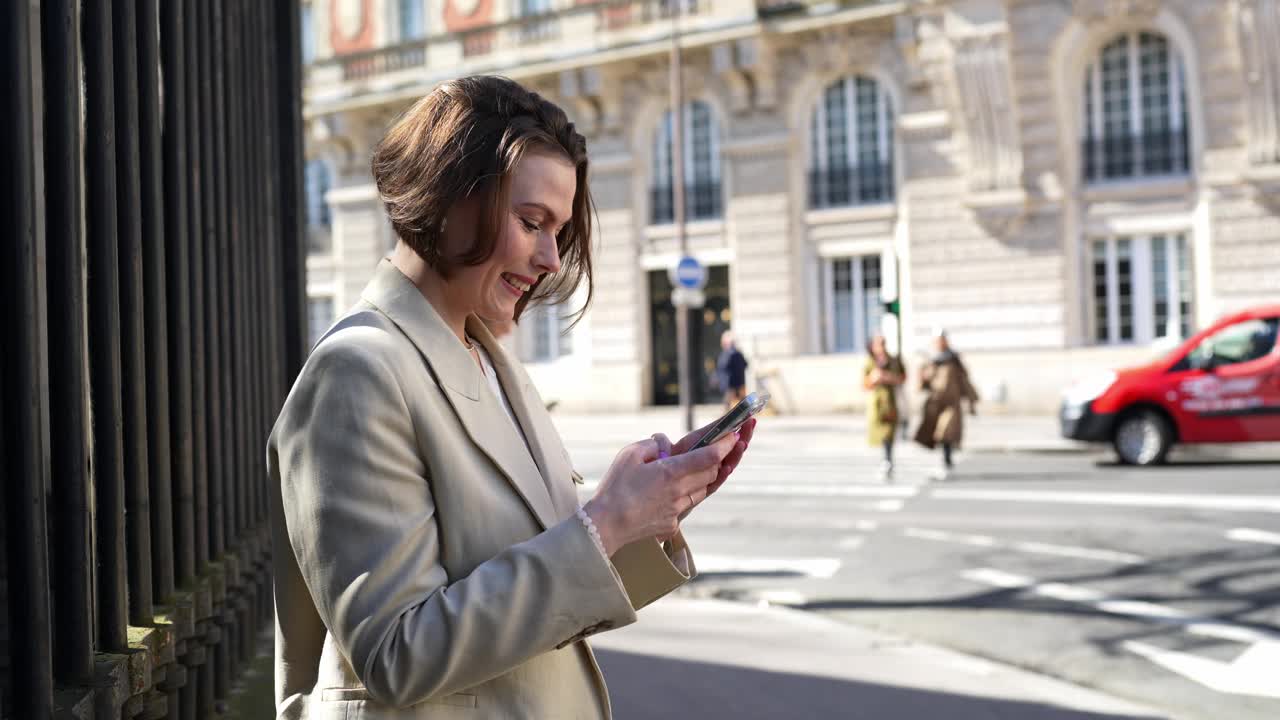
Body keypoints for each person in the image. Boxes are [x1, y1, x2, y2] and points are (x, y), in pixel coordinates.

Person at [267, 76, 756, 719]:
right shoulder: (356, 372)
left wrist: (643, 516)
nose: (552, 259)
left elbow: (539, 601)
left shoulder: (491, 360)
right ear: (449, 199)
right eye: (532, 223)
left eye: (558, 231)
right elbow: (396, 653)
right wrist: (603, 523)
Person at [914, 328, 978, 481]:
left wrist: (971, 400)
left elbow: (964, 380)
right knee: (935, 433)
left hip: (951, 403)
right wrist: (923, 374)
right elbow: (923, 382)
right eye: (937, 340)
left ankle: (947, 460)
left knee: (946, 431)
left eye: (942, 339)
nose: (940, 343)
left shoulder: (953, 359)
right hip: (936, 403)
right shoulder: (931, 359)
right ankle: (945, 459)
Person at [863, 334, 905, 482]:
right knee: (880, 435)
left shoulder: (893, 360)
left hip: (891, 402)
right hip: (877, 404)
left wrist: (888, 377)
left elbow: (902, 377)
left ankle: (888, 460)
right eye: (878, 344)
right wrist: (873, 379)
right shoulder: (870, 362)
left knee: (889, 434)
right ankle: (886, 460)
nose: (881, 347)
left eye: (883, 343)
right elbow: (864, 384)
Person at [716, 331, 749, 409]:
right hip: (740, 382)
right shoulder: (738, 353)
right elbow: (746, 364)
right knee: (742, 402)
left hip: (730, 382)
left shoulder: (727, 353)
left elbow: (722, 366)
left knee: (729, 403)